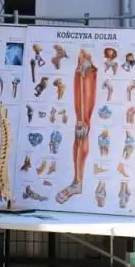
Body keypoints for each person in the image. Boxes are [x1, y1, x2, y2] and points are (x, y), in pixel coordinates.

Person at [56, 49, 97, 204]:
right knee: (80, 127)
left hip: (87, 67)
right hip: (83, 65)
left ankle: (78, 181)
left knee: (82, 127)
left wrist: (88, 62)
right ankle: (77, 180)